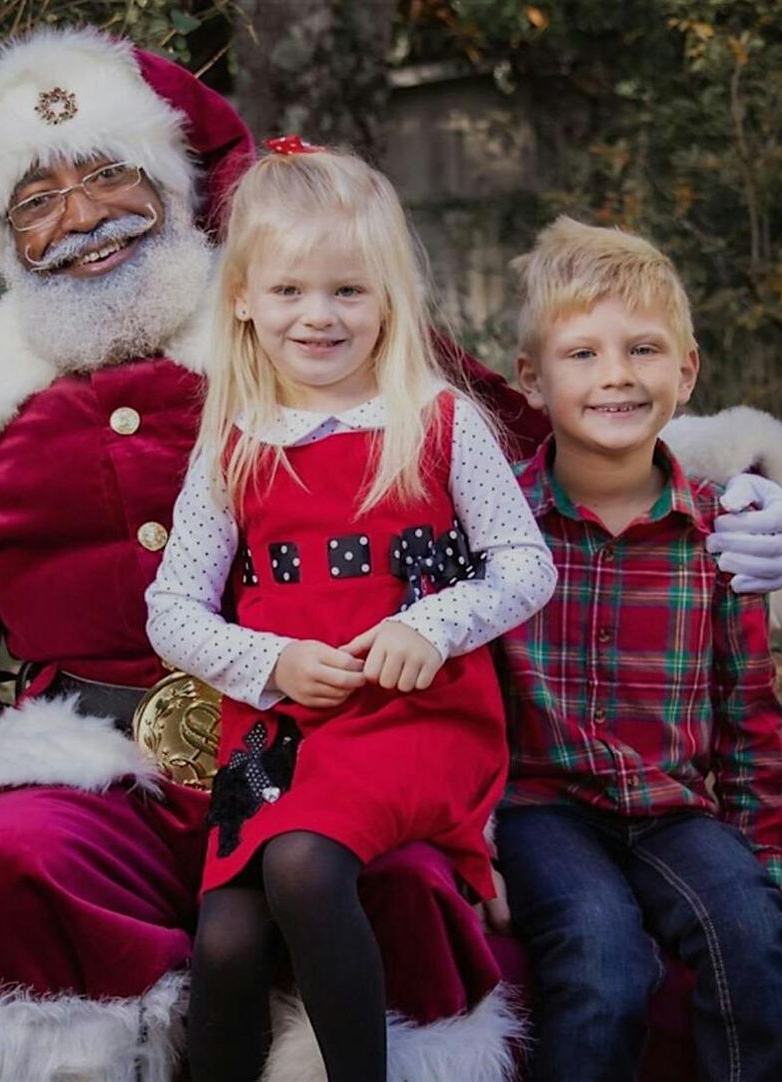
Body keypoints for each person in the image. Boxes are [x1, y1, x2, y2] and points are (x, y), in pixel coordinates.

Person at [0, 28, 782, 1082]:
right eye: (39, 197)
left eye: (111, 175)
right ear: (1, 235)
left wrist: (725, 492)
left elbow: (543, 437)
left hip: (328, 726)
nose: (82, 215)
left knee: (383, 885)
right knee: (8, 858)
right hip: (88, 743)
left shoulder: (318, 338)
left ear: (175, 186)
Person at [145, 145, 556, 1082]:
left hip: (414, 718)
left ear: (389, 299)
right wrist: (272, 662)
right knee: (226, 940)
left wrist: (431, 625)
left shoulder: (437, 420)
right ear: (244, 297)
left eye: (348, 291)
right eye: (290, 290)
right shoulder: (234, 443)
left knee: (301, 864)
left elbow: (524, 567)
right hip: (280, 721)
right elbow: (172, 611)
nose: (319, 317)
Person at [492, 217, 782, 1082]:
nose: (618, 376)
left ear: (687, 370)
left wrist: (774, 874)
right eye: (583, 354)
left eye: (642, 349)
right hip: (539, 809)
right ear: (532, 377)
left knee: (753, 936)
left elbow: (750, 724)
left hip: (673, 810)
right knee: (603, 960)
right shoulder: (497, 528)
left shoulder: (721, 535)